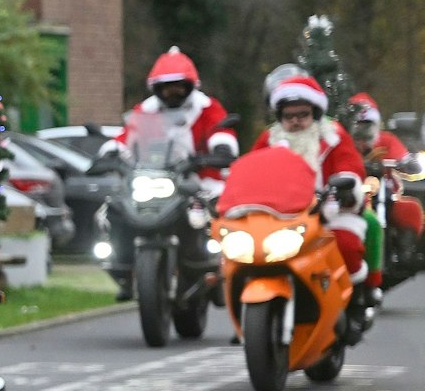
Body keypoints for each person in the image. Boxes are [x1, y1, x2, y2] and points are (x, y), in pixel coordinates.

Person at [98, 47, 240, 298]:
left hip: (199, 177)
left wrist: (220, 148)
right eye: (166, 86)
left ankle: (219, 267)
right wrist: (111, 152)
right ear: (156, 88)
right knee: (116, 208)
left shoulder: (206, 107)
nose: (172, 91)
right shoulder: (147, 110)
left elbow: (221, 131)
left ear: (190, 86)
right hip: (155, 177)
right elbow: (127, 136)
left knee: (219, 211)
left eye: (178, 86)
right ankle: (124, 268)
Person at [253, 73, 370, 288]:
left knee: (346, 245)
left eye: (302, 115)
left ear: (315, 114)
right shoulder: (269, 139)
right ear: (280, 117)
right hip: (278, 216)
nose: (296, 121)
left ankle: (350, 298)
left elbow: (349, 164)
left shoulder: (333, 135)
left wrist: (344, 183)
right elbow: (252, 168)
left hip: (329, 210)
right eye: (289, 116)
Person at [349, 92, 408, 294]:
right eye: (358, 125)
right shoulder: (343, 142)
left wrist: (407, 162)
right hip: (353, 191)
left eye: (367, 124)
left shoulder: (386, 140)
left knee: (409, 209)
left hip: (384, 189)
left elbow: (402, 155)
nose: (362, 130)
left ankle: (402, 251)